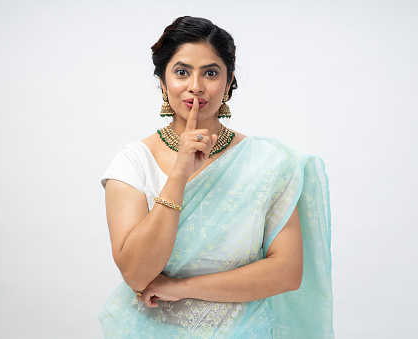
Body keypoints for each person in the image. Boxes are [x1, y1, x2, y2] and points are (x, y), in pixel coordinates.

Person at [99, 16, 334, 338]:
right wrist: (179, 174)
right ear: (163, 82)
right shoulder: (133, 162)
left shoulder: (267, 162)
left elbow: (286, 273)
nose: (196, 85)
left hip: (244, 330)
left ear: (229, 81)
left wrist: (181, 288)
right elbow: (138, 275)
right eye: (182, 72)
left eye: (210, 73)